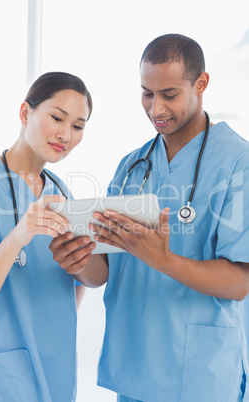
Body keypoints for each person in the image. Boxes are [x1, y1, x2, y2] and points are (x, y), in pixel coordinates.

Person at [50, 34, 249, 401]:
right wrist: (76, 260)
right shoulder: (132, 166)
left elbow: (241, 281)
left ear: (201, 83)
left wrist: (165, 260)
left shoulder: (238, 164)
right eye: (146, 93)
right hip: (134, 373)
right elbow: (102, 271)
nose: (155, 108)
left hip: (200, 377)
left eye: (169, 94)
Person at [0, 71, 96, 401]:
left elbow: (75, 283)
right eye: (57, 118)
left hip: (55, 369)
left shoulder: (62, 194)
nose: (65, 134)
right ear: (25, 112)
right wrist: (19, 235)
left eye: (77, 126)